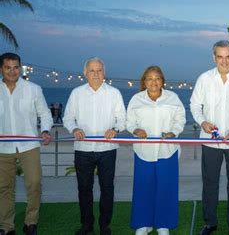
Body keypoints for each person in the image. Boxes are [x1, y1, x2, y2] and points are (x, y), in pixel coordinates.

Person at [190, 40, 229, 235]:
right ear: (214, 57)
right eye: (220, 57)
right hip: (210, 142)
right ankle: (210, 223)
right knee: (210, 183)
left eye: (228, 56)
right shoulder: (204, 79)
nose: (224, 61)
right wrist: (202, 122)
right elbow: (194, 105)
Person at [64, 57, 126, 235]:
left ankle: (105, 225)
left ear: (104, 73)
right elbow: (68, 117)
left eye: (99, 70)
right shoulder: (77, 93)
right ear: (85, 73)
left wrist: (115, 129)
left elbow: (122, 119)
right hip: (83, 149)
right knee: (84, 189)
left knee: (107, 188)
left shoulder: (114, 93)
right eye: (92, 70)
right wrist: (74, 128)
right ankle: (87, 224)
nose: (96, 74)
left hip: (107, 149)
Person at [127, 66, 185, 235]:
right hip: (143, 151)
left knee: (166, 187)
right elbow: (129, 122)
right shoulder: (136, 99)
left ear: (162, 81)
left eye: (157, 78)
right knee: (143, 187)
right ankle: (143, 224)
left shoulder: (172, 98)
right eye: (150, 78)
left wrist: (174, 131)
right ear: (144, 82)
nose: (153, 82)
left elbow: (180, 119)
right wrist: (137, 131)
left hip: (167, 150)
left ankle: (163, 224)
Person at [0, 53, 53, 235]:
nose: (13, 71)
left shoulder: (33, 89)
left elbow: (45, 114)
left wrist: (45, 131)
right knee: (4, 187)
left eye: (16, 67)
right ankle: (7, 227)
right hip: (2, 148)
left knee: (34, 183)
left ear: (20, 68)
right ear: (1, 69)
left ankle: (31, 222)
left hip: (29, 145)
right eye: (8, 67)